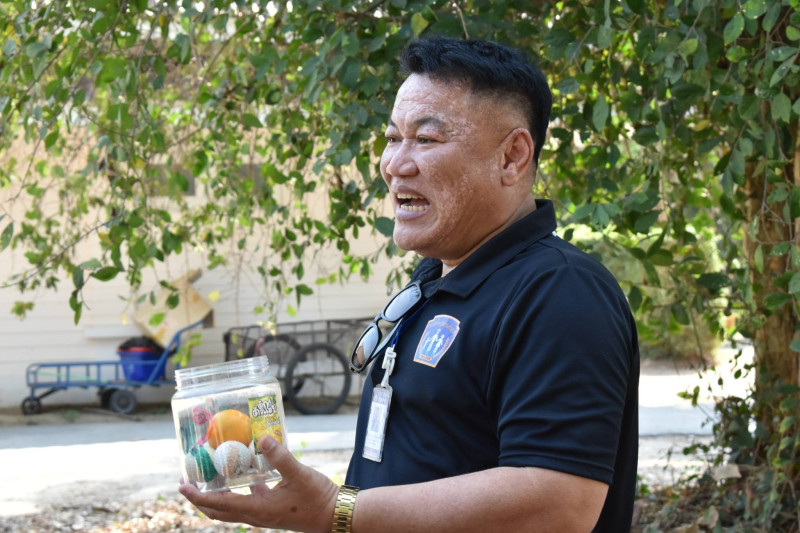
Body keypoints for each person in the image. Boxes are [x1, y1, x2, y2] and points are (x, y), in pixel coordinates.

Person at [179, 35, 639, 533]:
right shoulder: (435, 277)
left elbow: (558, 505)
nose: (395, 164)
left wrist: (336, 511)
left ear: (512, 157)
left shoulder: (560, 293)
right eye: (393, 137)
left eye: (426, 139)